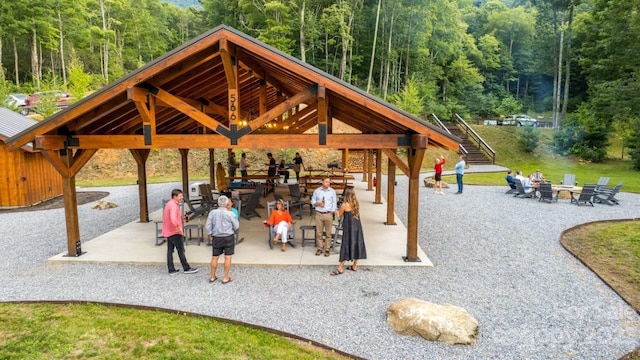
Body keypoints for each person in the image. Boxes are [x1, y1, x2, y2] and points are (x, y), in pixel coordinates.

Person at [330, 187, 367, 275]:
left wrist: (335, 212)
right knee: (356, 244)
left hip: (348, 228)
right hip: (357, 228)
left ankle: (340, 267)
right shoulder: (356, 203)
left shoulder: (344, 205)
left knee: (346, 245)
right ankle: (354, 265)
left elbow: (339, 216)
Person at [162, 189, 199, 275]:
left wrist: (182, 218)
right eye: (180, 196)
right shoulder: (174, 206)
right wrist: (178, 227)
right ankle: (186, 268)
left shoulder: (170, 204)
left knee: (170, 251)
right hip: (175, 231)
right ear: (175, 196)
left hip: (169, 231)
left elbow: (174, 217)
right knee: (181, 250)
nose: (182, 198)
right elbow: (173, 218)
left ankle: (171, 269)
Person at [205, 195, 239, 284]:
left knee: (215, 257)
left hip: (216, 237)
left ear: (218, 203)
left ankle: (212, 276)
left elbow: (208, 225)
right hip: (228, 236)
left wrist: (210, 234)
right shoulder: (230, 213)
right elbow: (236, 226)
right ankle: (225, 277)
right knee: (228, 257)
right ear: (227, 203)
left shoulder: (212, 213)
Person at [311, 177, 338, 257]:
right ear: (322, 182)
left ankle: (327, 249)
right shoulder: (317, 191)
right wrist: (318, 203)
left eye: (329, 182)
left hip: (328, 213)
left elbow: (334, 203)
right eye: (326, 182)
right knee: (319, 232)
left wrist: (332, 211)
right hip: (319, 213)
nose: (328, 183)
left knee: (328, 233)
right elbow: (312, 201)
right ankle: (320, 248)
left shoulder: (332, 191)